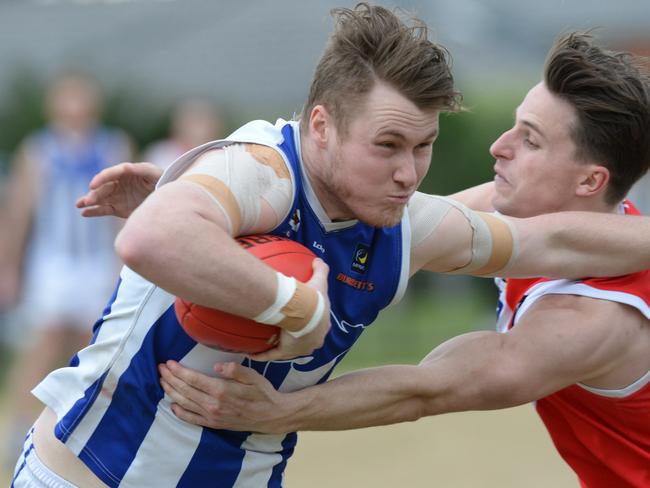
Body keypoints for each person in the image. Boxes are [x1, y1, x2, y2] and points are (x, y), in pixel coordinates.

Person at [14, 5, 650, 487]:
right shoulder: (263, 169)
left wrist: (287, 403)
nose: (411, 172)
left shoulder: (583, 310)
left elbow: (441, 375)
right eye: (388, 145)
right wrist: (287, 295)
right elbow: (154, 236)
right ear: (320, 124)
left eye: (423, 147)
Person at [0, 71, 132, 468]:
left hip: (96, 261)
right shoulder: (38, 150)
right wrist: (10, 267)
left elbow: (125, 214)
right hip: (53, 262)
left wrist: (125, 264)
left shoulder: (112, 144)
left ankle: (87, 430)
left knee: (91, 347)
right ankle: (18, 427)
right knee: (41, 344)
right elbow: (20, 215)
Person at [142, 99, 224, 170]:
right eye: (192, 121)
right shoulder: (160, 154)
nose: (197, 130)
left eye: (202, 122)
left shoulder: (222, 156)